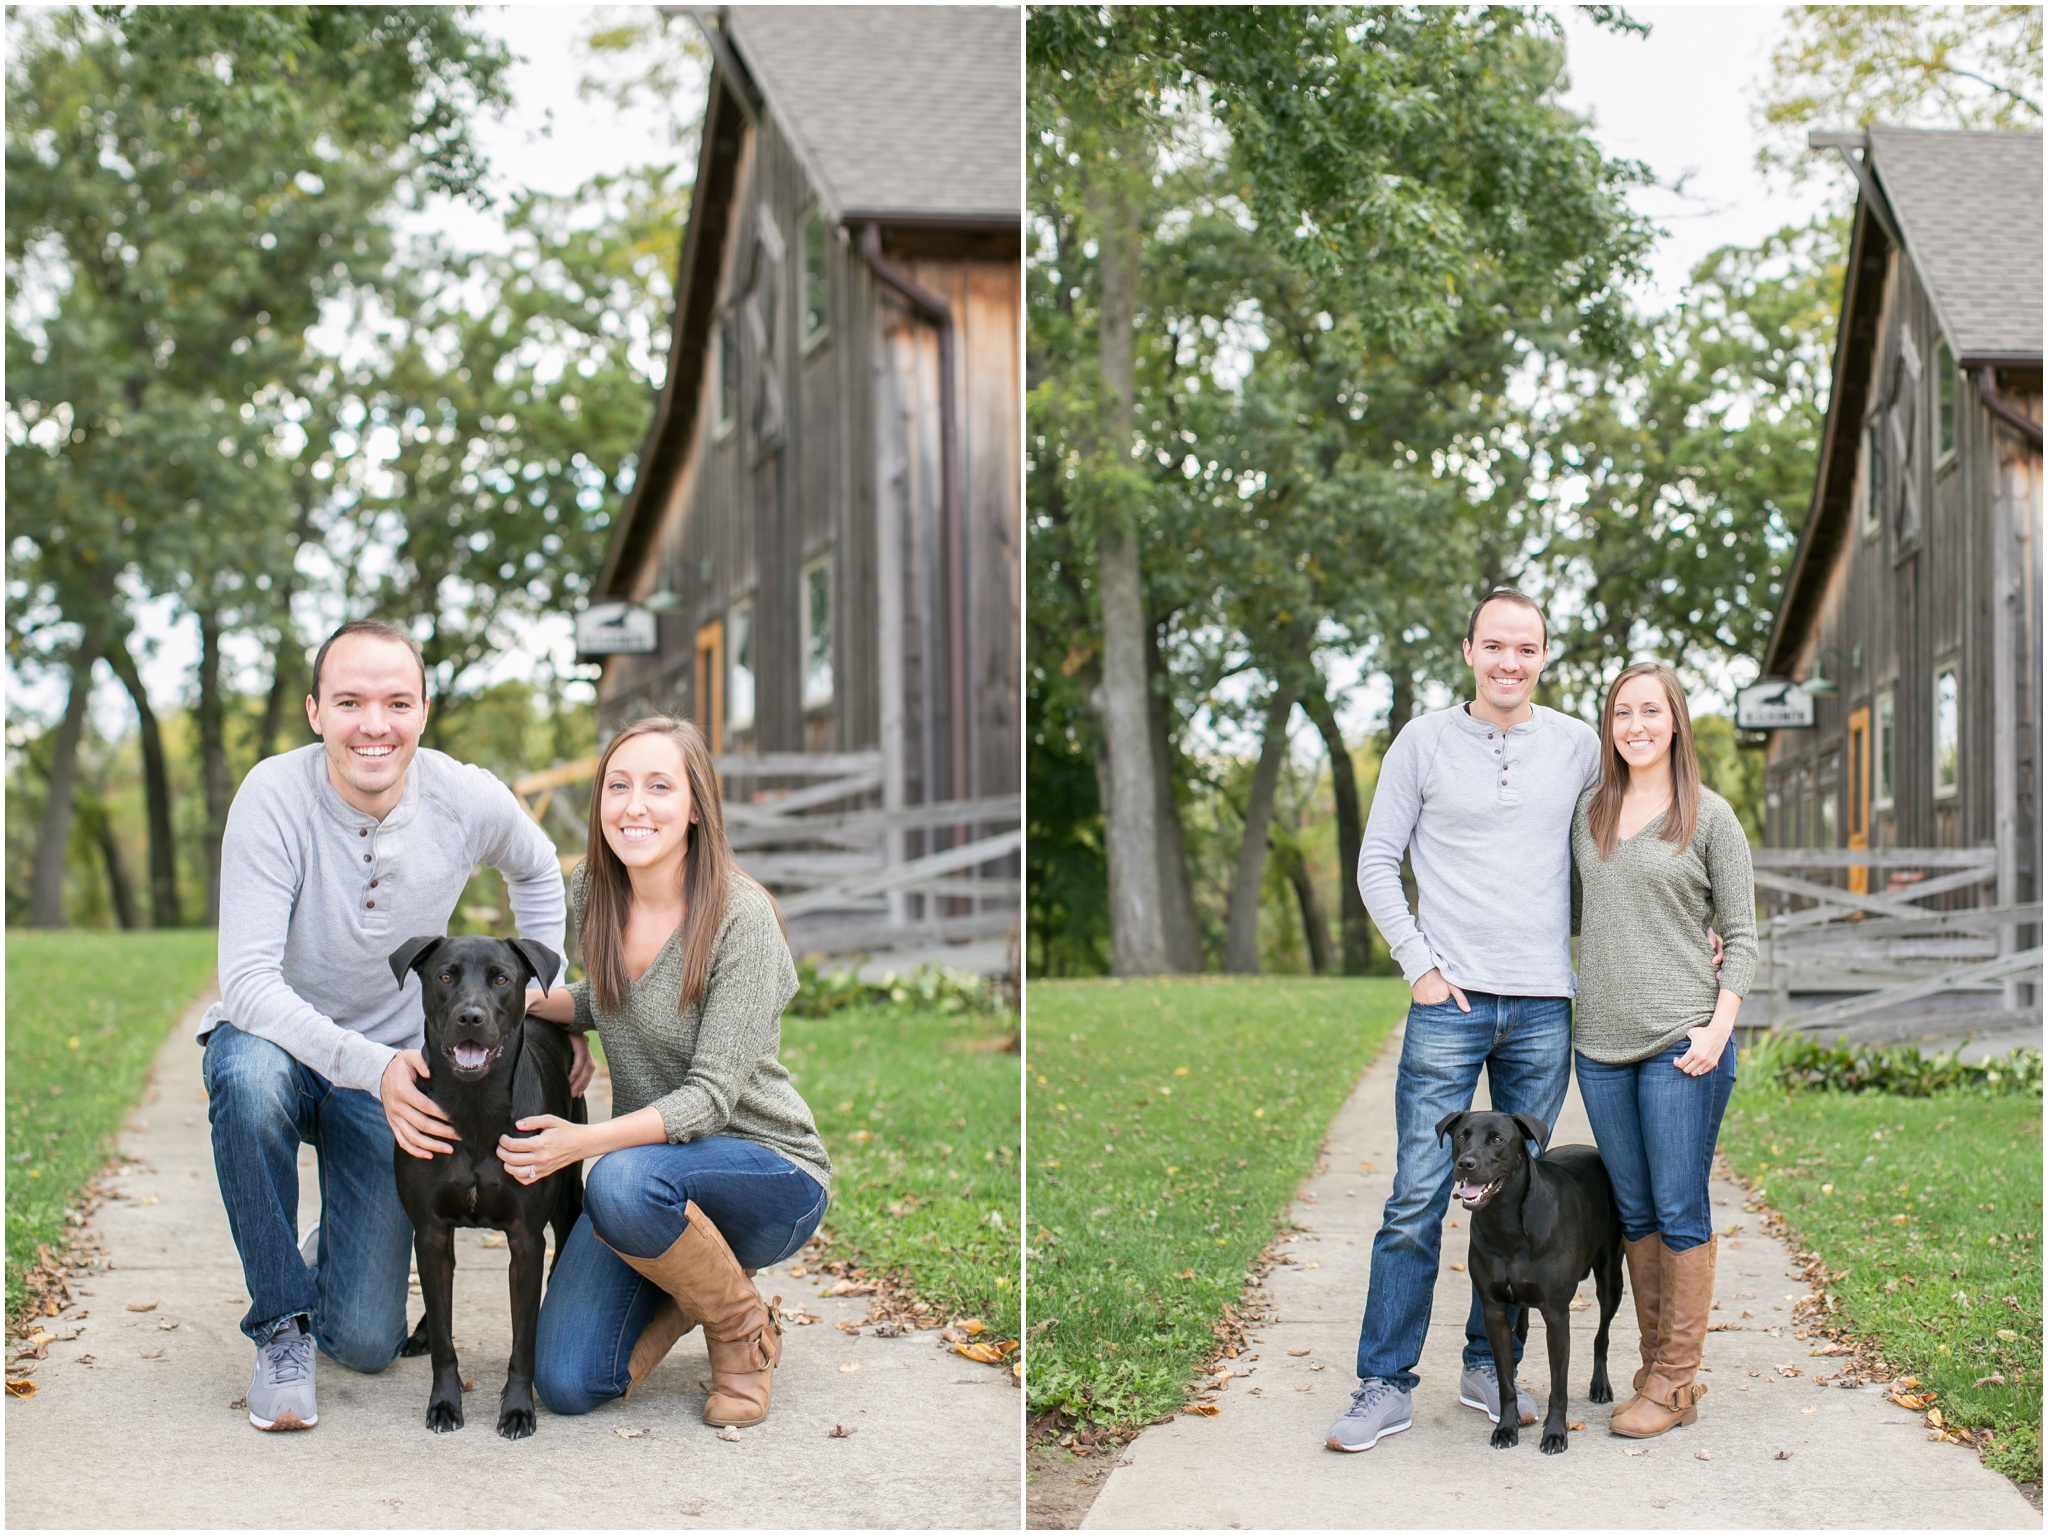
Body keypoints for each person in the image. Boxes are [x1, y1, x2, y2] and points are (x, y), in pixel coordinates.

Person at [200, 620, 578, 1432]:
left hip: (396, 1079)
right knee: (246, 1075)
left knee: (369, 1340)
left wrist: (550, 1002)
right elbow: (248, 983)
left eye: (395, 701)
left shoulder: (463, 796)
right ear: (314, 711)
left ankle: (324, 1263)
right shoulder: (272, 796)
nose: (374, 723)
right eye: (350, 701)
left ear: (423, 711)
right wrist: (369, 1063)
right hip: (292, 1049)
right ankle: (279, 1325)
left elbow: (539, 868)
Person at [1325, 588, 1601, 1452]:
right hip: (1451, 1001)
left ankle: (1492, 1362)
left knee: (1515, 1192)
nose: (1509, 662)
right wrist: (1422, 966)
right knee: (1418, 1192)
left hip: (1543, 1002)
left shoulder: (1578, 746)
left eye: (1526, 648)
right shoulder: (1422, 741)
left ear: (1544, 656)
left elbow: (1621, 847)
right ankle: (1385, 1381)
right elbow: (1377, 862)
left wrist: (1698, 916)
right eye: (1495, 646)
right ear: (1469, 649)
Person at [516, 716, 831, 1428]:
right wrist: (533, 1004)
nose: (635, 805)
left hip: (767, 1172)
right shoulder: (593, 891)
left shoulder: (740, 920)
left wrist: (578, 1142)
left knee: (618, 1176)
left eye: (660, 786)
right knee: (568, 1380)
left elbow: (711, 1099)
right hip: (655, 1185)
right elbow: (614, 998)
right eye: (618, 785)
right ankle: (696, 1279)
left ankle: (739, 1329)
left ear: (695, 805)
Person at [1570, 661, 1755, 1438]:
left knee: (1678, 1207)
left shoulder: (1710, 817)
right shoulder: (1588, 810)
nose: (1636, 725)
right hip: (1600, 1044)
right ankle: (1652, 1367)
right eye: (1622, 713)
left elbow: (1742, 937)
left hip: (1683, 1041)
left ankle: (1677, 1380)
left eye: (1651, 711)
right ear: (1610, 725)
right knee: (1636, 1208)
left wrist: (1715, 1031)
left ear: (1675, 720)